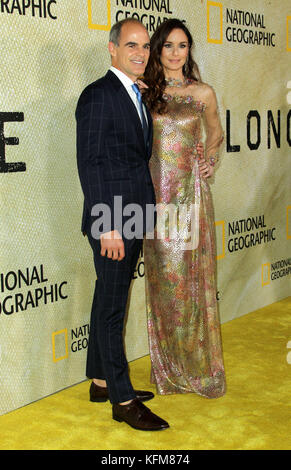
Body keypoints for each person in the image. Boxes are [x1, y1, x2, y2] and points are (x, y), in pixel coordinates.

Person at [75, 18, 169, 431]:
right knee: (114, 310)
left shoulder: (133, 93)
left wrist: (136, 96)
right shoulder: (98, 95)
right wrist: (107, 224)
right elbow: (90, 163)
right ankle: (123, 399)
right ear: (112, 49)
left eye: (146, 46)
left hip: (133, 214)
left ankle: (100, 381)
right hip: (113, 220)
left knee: (107, 297)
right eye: (131, 45)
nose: (140, 52)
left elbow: (128, 152)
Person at [142, 19, 226, 398]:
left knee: (193, 281)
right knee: (164, 283)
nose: (176, 53)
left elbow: (216, 132)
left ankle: (196, 365)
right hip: (156, 200)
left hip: (191, 197)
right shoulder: (144, 91)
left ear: (190, 50)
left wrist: (210, 158)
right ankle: (168, 366)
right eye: (169, 46)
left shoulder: (203, 92)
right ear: (158, 50)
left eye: (183, 46)